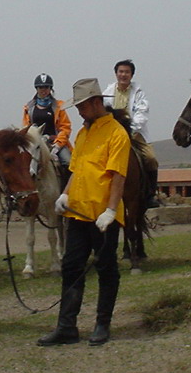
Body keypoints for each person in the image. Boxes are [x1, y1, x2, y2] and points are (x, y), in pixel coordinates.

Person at [38, 78, 129, 348]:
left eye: (82, 106)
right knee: (71, 267)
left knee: (106, 267)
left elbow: (118, 176)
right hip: (77, 212)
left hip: (102, 216)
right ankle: (67, 327)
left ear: (97, 103)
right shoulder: (83, 134)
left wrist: (111, 210)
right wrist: (64, 194)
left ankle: (102, 324)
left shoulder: (117, 134)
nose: (78, 111)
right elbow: (76, 170)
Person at [104, 59, 161, 208]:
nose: (123, 75)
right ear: (116, 74)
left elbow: (142, 114)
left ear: (132, 75)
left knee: (151, 159)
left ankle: (150, 195)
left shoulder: (139, 93)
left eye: (127, 72)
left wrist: (130, 129)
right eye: (121, 72)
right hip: (111, 134)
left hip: (135, 134)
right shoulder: (106, 94)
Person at [21, 73, 73, 177]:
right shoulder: (29, 107)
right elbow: (26, 128)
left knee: (69, 162)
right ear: (37, 88)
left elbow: (65, 128)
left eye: (46, 87)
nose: (43, 90)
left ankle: (68, 191)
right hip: (35, 143)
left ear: (50, 88)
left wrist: (57, 146)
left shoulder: (59, 106)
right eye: (41, 87)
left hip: (54, 143)